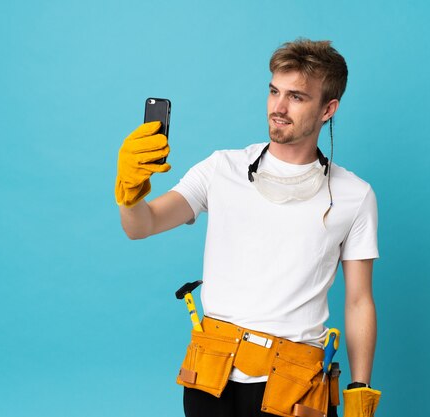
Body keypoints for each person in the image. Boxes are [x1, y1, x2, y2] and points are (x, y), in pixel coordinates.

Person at [115, 39, 382, 417]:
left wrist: (360, 388)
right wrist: (129, 191)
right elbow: (142, 225)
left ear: (328, 109)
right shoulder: (221, 169)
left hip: (292, 386)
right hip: (210, 377)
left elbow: (358, 301)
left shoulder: (354, 195)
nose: (279, 107)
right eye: (274, 91)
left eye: (297, 97)